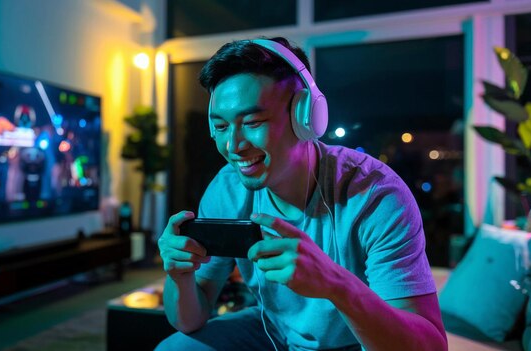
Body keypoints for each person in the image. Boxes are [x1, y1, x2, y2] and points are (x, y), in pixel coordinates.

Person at [156, 37, 447, 351]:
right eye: (222, 127)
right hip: (273, 331)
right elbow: (188, 320)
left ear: (305, 117)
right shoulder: (227, 189)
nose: (233, 146)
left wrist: (335, 284)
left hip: (358, 341)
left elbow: (431, 346)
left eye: (252, 122)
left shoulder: (375, 195)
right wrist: (179, 275)